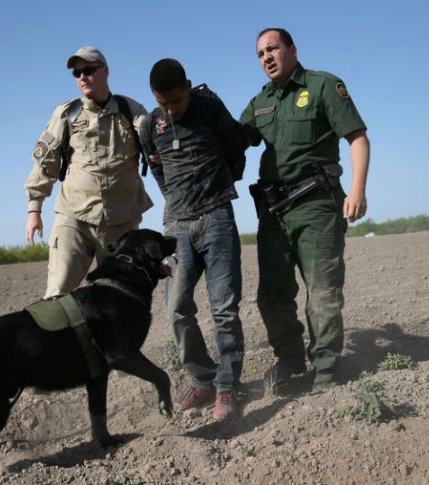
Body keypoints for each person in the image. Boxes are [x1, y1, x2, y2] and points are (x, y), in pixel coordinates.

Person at [240, 28, 371, 394]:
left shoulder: (323, 86)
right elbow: (233, 138)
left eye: (273, 49)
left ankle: (326, 372)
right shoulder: (260, 102)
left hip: (316, 204)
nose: (267, 57)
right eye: (260, 53)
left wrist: (358, 189)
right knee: (272, 295)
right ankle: (291, 360)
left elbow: (357, 137)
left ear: (292, 50)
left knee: (322, 293)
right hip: (274, 212)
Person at [139, 59, 249, 420]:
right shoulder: (150, 124)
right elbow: (155, 167)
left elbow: (236, 145)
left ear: (187, 87)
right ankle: (203, 379)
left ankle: (227, 386)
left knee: (224, 309)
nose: (171, 109)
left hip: (217, 217)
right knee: (176, 309)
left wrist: (223, 180)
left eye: (176, 101)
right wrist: (174, 198)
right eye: (163, 103)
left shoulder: (210, 107)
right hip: (176, 227)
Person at [24, 47, 153, 298]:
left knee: (122, 297)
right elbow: (45, 162)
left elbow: (156, 146)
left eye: (88, 70)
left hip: (122, 221)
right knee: (57, 296)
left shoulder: (131, 111)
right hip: (75, 219)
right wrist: (34, 209)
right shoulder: (66, 114)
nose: (82, 76)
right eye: (77, 72)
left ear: (105, 71)